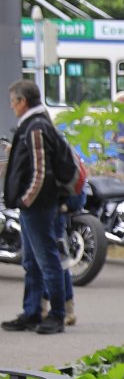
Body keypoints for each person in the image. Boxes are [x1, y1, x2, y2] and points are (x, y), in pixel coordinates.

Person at [2, 80, 68, 334]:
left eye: (13, 101)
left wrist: (26, 199)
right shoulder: (32, 124)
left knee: (46, 259)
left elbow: (41, 171)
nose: (12, 106)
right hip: (35, 205)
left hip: (39, 205)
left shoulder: (36, 127)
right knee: (31, 261)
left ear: (23, 101)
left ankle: (57, 314)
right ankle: (31, 312)